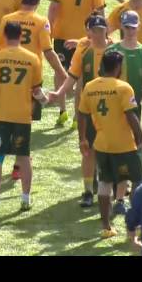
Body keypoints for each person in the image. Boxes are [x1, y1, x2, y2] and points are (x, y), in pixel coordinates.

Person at [0, 0, 67, 179]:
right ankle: (19, 165)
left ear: (22, 1)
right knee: (24, 121)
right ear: (37, 2)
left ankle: (0, 159)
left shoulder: (7, 19)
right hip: (30, 76)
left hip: (6, 74)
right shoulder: (41, 21)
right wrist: (63, 73)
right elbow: (48, 51)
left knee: (5, 117)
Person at [78, 50, 142, 238]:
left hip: (101, 144)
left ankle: (106, 227)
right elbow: (131, 115)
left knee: (104, 184)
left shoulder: (90, 87)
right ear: (118, 67)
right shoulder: (124, 88)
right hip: (124, 145)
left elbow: (82, 114)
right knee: (138, 181)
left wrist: (82, 138)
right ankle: (136, 225)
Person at [49, 12, 112, 207]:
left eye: (100, 30)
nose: (96, 34)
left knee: (110, 151)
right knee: (87, 149)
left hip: (110, 109)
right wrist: (60, 93)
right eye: (93, 30)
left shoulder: (114, 50)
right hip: (89, 107)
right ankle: (87, 190)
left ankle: (109, 189)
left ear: (105, 31)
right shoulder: (84, 52)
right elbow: (73, 76)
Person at [0, 22, 44, 213]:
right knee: (24, 156)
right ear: (21, 35)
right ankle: (25, 199)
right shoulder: (32, 58)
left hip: (1, 114)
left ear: (4, 34)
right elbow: (36, 90)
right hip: (22, 115)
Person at [105, 10, 142, 214]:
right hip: (114, 111)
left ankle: (124, 197)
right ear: (121, 27)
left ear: (137, 28)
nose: (129, 31)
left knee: (131, 153)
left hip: (134, 110)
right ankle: (117, 194)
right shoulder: (112, 51)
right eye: (126, 27)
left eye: (132, 27)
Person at [47, 0, 105, 127]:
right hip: (84, 37)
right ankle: (75, 116)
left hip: (62, 35)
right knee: (80, 76)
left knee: (60, 71)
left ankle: (62, 110)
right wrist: (100, 33)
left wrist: (49, 29)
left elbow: (54, 7)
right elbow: (100, 9)